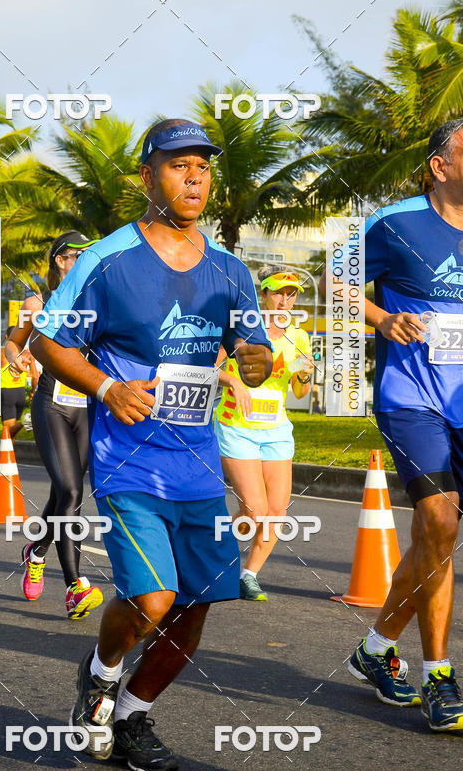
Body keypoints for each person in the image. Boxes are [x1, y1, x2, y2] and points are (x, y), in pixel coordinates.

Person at [31, 118, 273, 769]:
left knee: (194, 608)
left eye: (203, 166)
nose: (194, 177)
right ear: (147, 176)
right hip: (128, 459)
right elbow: (46, 341)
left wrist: (257, 363)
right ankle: (102, 671)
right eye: (177, 165)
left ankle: (134, 714)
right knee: (153, 598)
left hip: (196, 465)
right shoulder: (107, 260)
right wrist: (108, 387)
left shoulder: (229, 270)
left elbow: (257, 351)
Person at [342, 119, 463, 732]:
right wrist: (383, 318)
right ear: (441, 167)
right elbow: (335, 283)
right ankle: (440, 676)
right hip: (412, 397)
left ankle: (377, 648)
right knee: (439, 520)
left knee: (435, 541)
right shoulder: (395, 223)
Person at [5, 231, 104, 621]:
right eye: (75, 254)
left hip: (85, 408)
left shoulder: (98, 302)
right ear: (60, 260)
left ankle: (36, 550)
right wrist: (17, 357)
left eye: (86, 255)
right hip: (51, 404)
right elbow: (13, 342)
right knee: (70, 490)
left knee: (63, 496)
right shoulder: (37, 302)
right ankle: (75, 587)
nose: (81, 260)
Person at [214, 266, 313, 601]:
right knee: (254, 511)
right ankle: (201, 551)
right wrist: (235, 383)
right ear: (264, 293)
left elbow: (300, 393)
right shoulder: (240, 329)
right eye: (278, 292)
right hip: (236, 426)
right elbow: (211, 369)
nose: (285, 299)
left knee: (276, 512)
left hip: (276, 432)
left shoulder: (299, 336)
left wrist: (306, 372)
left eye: (292, 293)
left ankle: (248, 574)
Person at [0, 327, 36, 439]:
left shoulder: (1, 353)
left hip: (6, 391)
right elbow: (35, 375)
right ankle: (9, 454)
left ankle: (26, 422)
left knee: (7, 429)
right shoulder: (28, 354)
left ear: (6, 337)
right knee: (12, 426)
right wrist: (33, 392)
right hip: (21, 391)